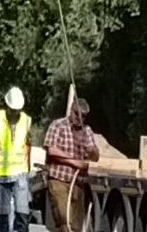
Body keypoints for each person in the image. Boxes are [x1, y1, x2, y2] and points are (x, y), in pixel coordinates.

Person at [0, 86, 34, 232]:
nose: (15, 112)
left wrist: (28, 169)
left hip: (20, 172)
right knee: (2, 215)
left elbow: (28, 145)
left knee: (23, 213)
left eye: (17, 109)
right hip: (0, 175)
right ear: (7, 106)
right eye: (12, 109)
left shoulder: (26, 120)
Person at [43, 94, 97, 232]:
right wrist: (75, 162)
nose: (79, 119)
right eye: (77, 114)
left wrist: (91, 151)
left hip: (78, 183)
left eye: (83, 116)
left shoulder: (87, 131)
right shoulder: (58, 126)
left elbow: (95, 157)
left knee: (76, 226)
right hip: (59, 180)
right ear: (71, 111)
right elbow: (52, 151)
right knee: (64, 220)